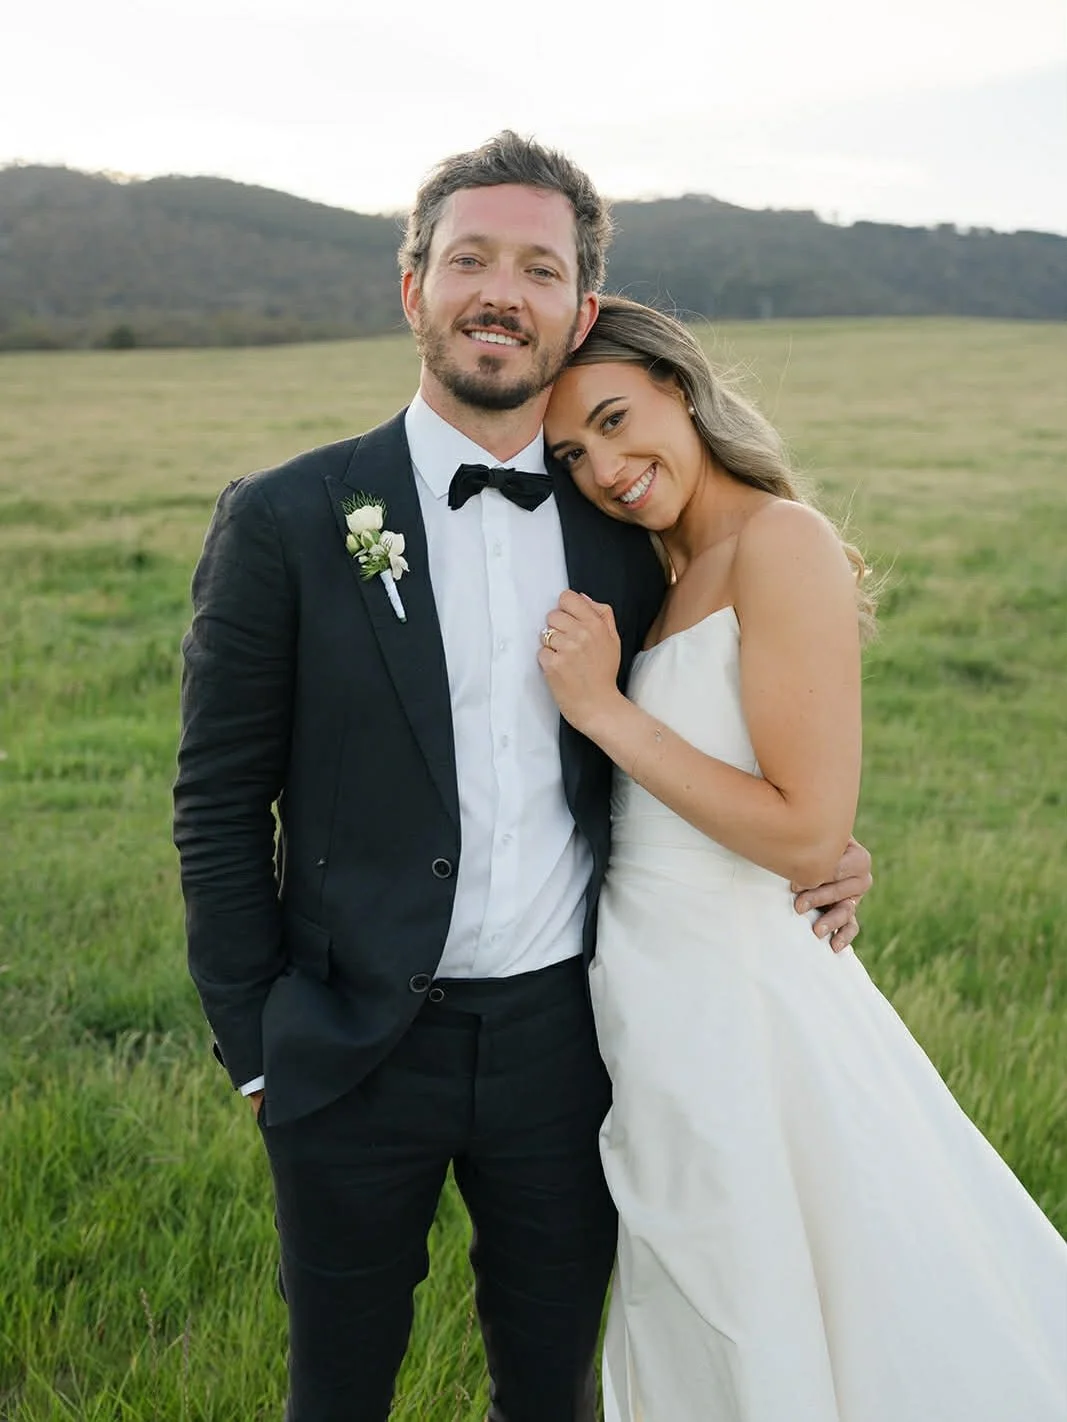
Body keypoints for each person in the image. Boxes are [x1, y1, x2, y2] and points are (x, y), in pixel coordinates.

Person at [172, 134, 872, 1422]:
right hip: (347, 1044)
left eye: (537, 268)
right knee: (336, 1390)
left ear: (580, 310)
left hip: (574, 1040)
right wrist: (255, 1044)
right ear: (413, 288)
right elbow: (217, 802)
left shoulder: (624, 526)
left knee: (552, 1388)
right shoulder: (283, 518)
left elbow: (728, 713)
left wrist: (823, 844)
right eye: (469, 259)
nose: (501, 289)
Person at [538, 294, 1067, 1422]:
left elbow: (801, 832)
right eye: (574, 454)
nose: (608, 468)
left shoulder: (779, 540)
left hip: (743, 1004)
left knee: (776, 1297)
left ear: (680, 389)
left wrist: (603, 711)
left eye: (621, 419)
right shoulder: (654, 571)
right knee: (700, 1301)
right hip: (648, 989)